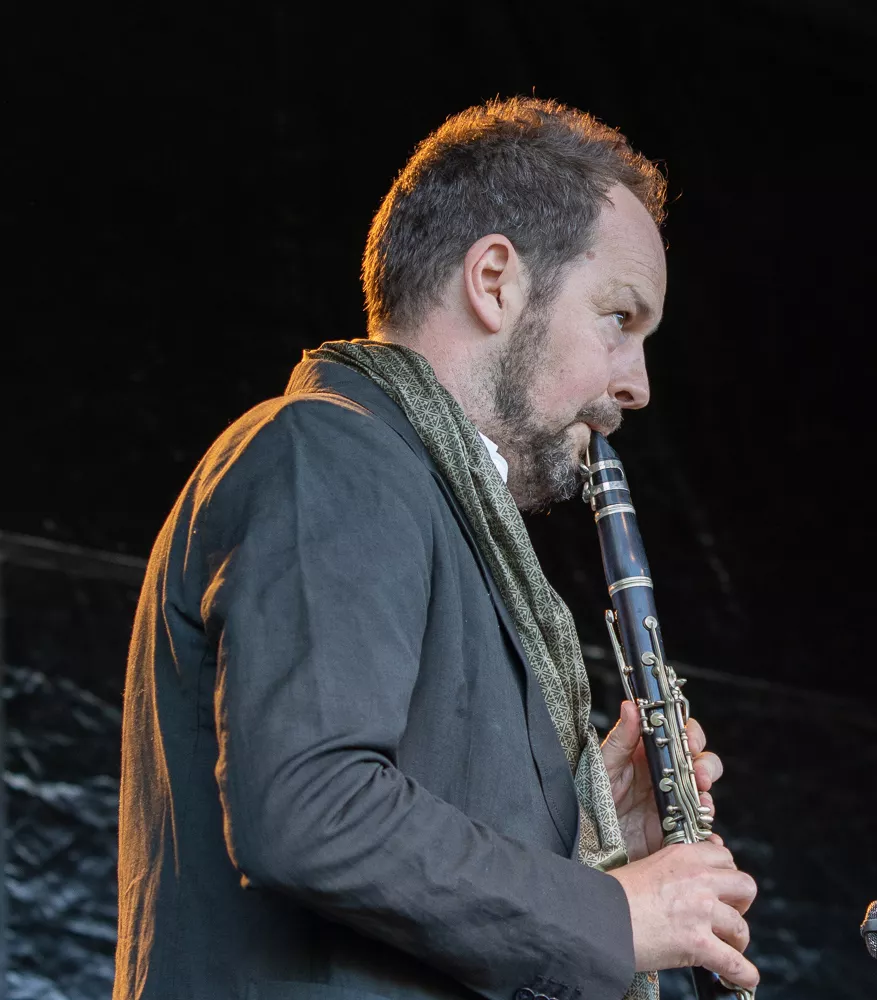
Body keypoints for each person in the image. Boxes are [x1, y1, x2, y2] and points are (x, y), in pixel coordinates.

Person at [114, 97, 759, 1000]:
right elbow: (311, 807)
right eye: (620, 318)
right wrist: (614, 915)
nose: (637, 385)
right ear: (494, 281)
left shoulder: (427, 500)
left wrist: (589, 830)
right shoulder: (331, 450)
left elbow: (421, 880)